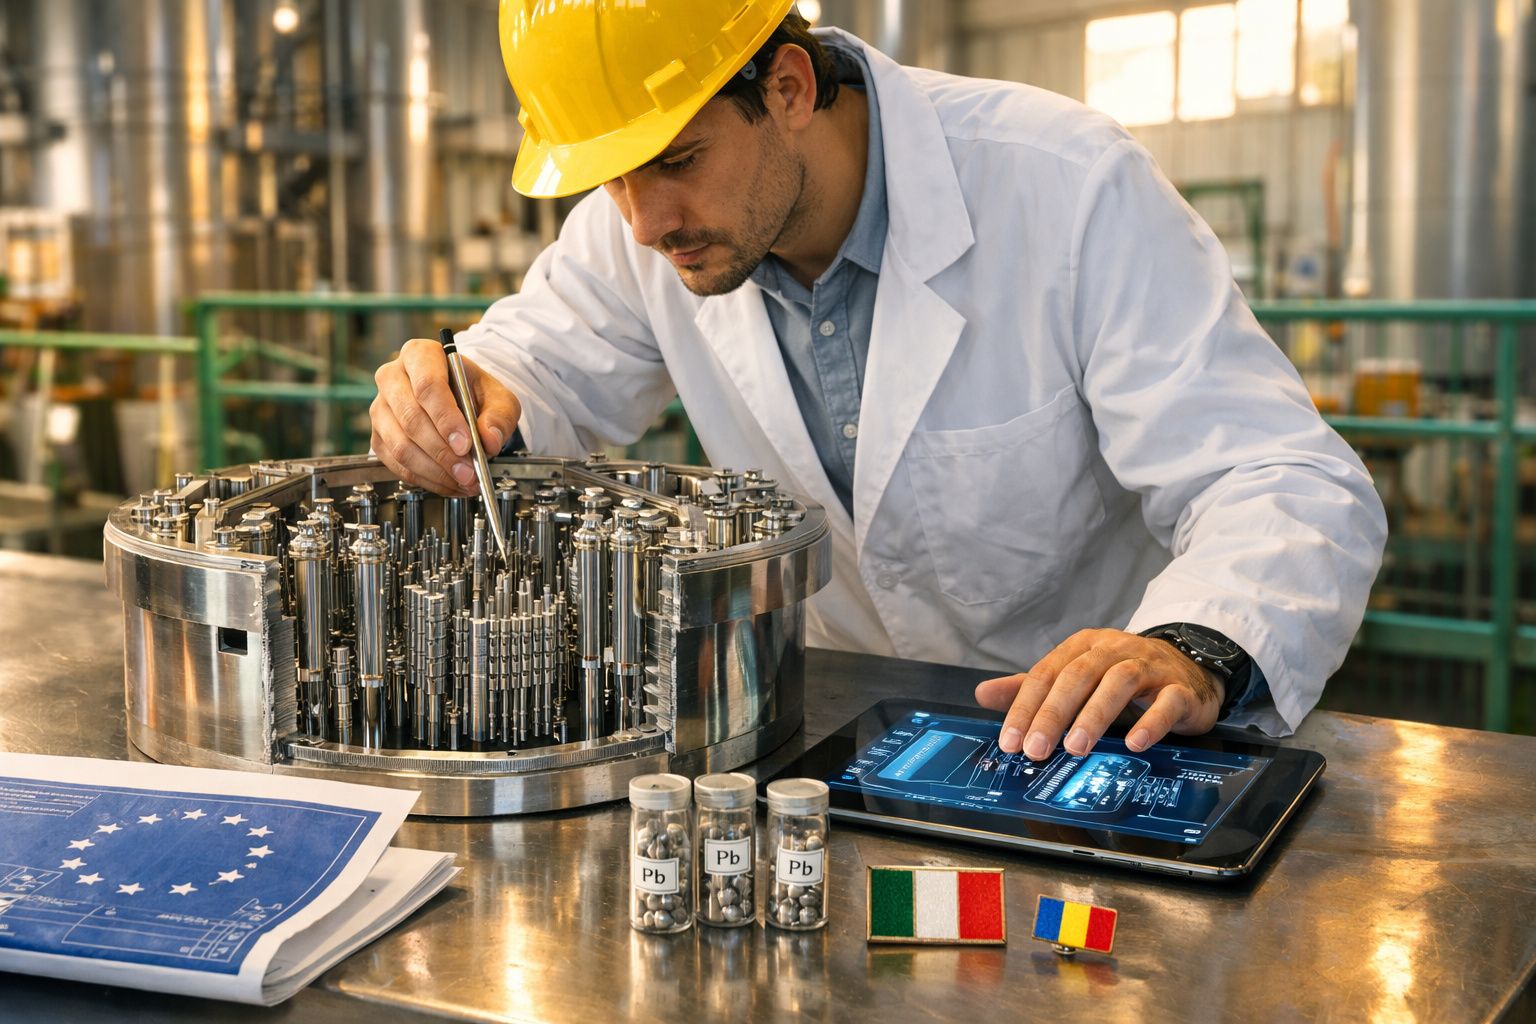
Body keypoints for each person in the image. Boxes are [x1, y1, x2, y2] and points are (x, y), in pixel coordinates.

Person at [370, 0, 1386, 761]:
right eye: (611, 178)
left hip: (1094, 747)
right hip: (836, 741)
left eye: (675, 159)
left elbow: (1282, 477)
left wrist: (1191, 645)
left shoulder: (1064, 184)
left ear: (790, 90)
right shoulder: (644, 229)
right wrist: (461, 403)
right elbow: (536, 363)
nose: (642, 221)